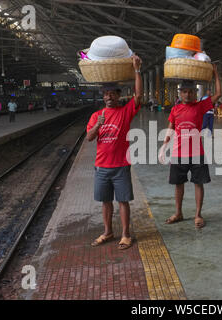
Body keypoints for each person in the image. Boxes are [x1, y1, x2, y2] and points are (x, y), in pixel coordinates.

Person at [87, 54, 143, 250]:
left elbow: (138, 95)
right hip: (101, 167)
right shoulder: (96, 116)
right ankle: (108, 231)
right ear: (103, 97)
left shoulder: (125, 112)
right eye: (105, 94)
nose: (108, 97)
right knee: (105, 202)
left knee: (123, 201)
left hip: (120, 166)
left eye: (112, 94)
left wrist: (136, 70)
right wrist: (98, 126)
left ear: (119, 96)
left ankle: (126, 234)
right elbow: (89, 137)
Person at [159, 65, 221, 229]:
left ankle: (198, 214)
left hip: (197, 153)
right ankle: (178, 212)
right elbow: (171, 128)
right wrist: (164, 146)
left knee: (198, 183)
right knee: (178, 184)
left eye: (191, 92)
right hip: (178, 153)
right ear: (180, 93)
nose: (187, 94)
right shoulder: (175, 109)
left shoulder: (201, 106)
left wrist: (215, 74)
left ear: (195, 93)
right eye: (184, 91)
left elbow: (219, 94)